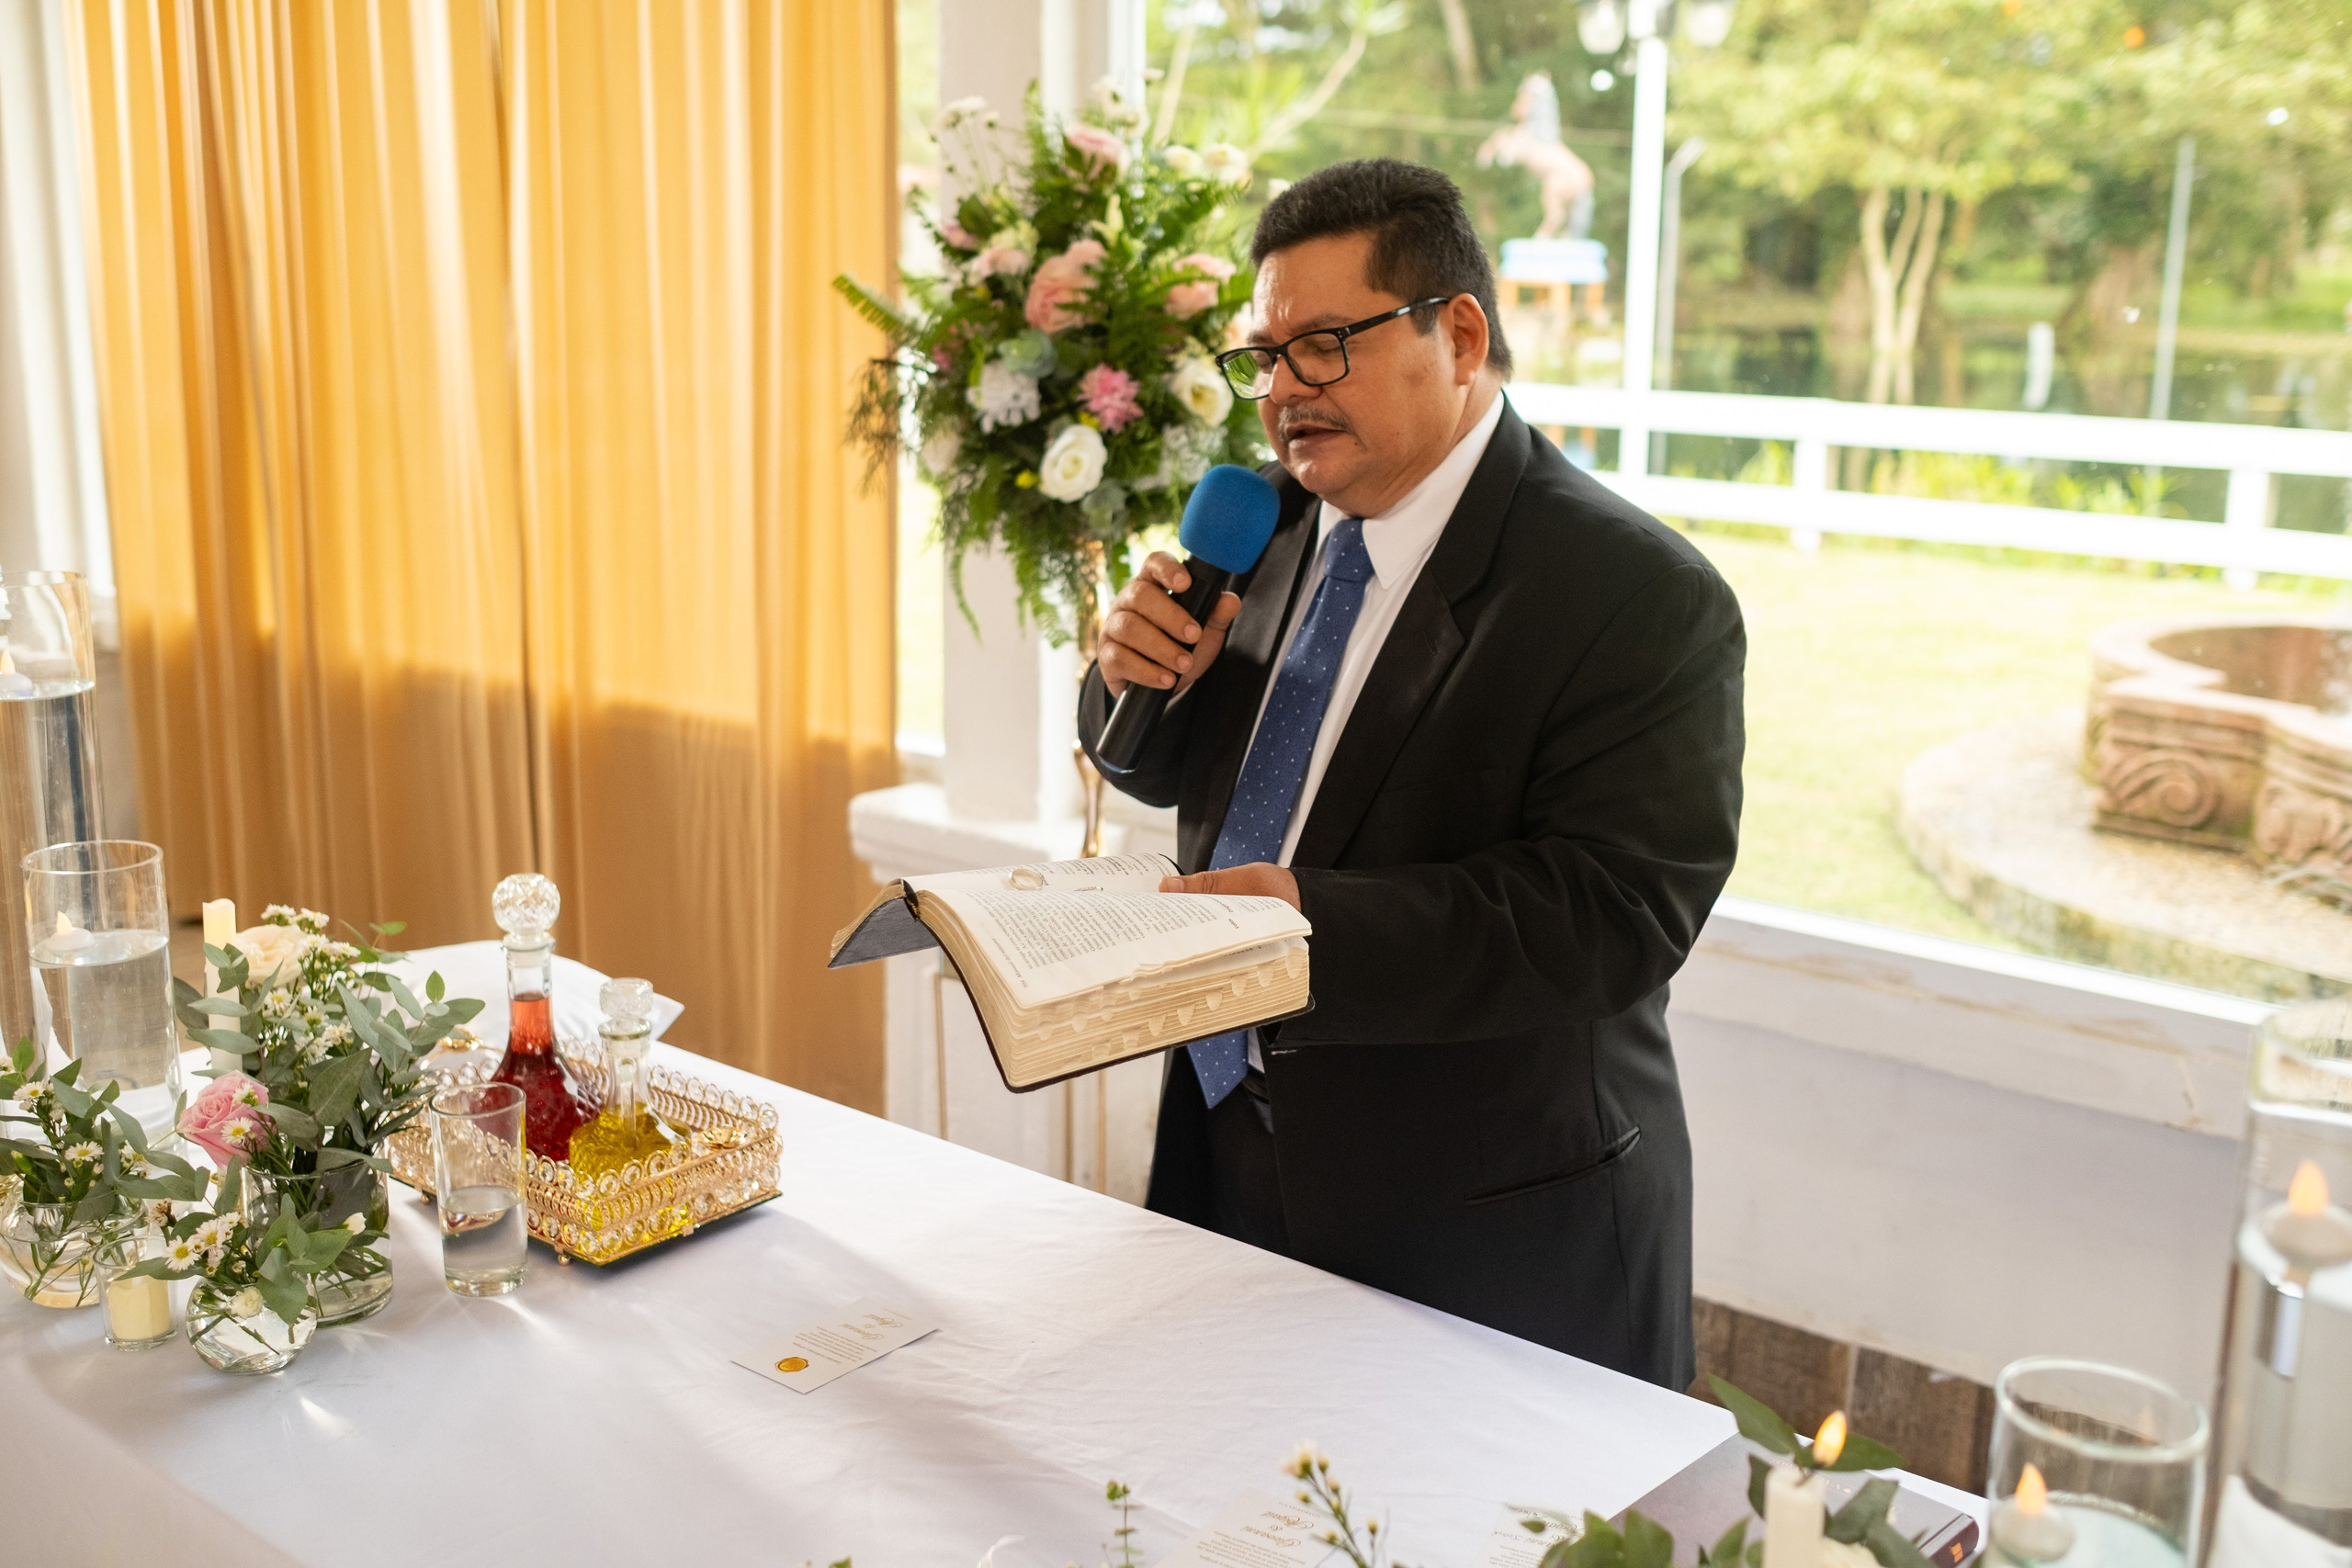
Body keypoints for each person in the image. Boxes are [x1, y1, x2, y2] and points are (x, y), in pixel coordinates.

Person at [1077, 159, 1744, 1389]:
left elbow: (1616, 915)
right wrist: (1133, 675)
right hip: (1228, 1155)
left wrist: (1306, 928)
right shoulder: (1265, 523)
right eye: (1266, 356)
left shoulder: (1639, 596)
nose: (1283, 393)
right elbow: (1163, 770)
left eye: (1324, 346)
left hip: (1489, 1231)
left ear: (1462, 335)